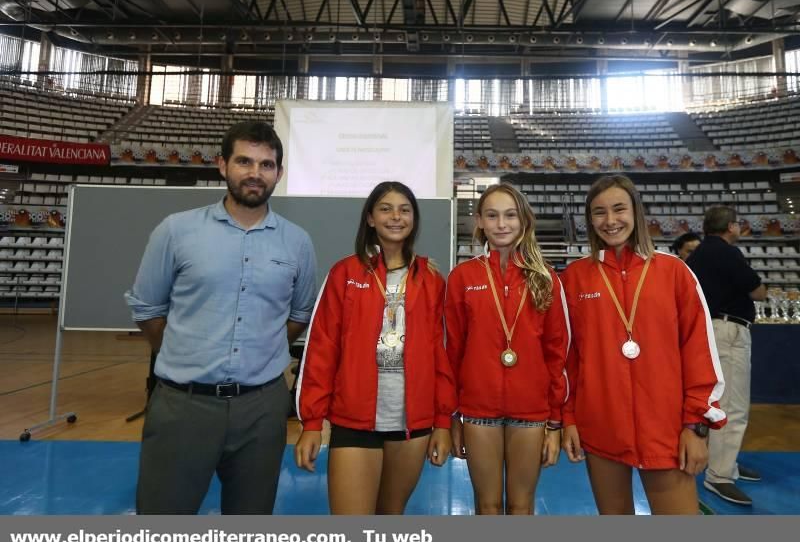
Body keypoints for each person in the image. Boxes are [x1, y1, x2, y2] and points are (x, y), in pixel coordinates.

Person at [125, 121, 317, 514]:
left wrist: (262, 350)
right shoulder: (176, 231)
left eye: (266, 164)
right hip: (184, 405)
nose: (255, 173)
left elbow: (299, 314)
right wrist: (185, 352)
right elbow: (148, 309)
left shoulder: (297, 241)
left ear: (278, 173)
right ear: (222, 165)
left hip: (262, 409)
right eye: (244, 161)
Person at [560, 174, 726, 515]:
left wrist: (695, 426)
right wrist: (569, 418)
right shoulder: (575, 277)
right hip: (600, 427)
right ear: (590, 220)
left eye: (619, 209)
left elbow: (699, 353)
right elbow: (569, 359)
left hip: (665, 429)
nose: (610, 221)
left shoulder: (674, 272)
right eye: (599, 212)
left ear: (636, 212)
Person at [294, 181, 456, 515]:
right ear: (370, 218)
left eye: (405, 209)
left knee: (390, 515)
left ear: (414, 219)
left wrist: (442, 421)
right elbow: (322, 349)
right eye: (386, 208)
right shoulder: (345, 273)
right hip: (354, 419)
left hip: (412, 423)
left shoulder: (431, 279)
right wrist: (312, 422)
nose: (396, 216)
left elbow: (442, 353)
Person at [444, 183, 569, 515]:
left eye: (510, 215)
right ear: (480, 222)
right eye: (492, 215)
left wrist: (555, 422)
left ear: (524, 220)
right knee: (486, 505)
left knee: (521, 504)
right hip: (477, 410)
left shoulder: (546, 279)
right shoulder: (462, 277)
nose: (502, 224)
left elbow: (557, 352)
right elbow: (452, 351)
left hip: (531, 412)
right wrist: (452, 415)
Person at [687, 206, 766, 506]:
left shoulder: (697, 254)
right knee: (732, 406)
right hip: (728, 331)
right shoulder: (727, 253)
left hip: (710, 332)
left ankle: (725, 464)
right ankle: (720, 475)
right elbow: (758, 291)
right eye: (737, 225)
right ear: (731, 227)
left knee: (718, 402)